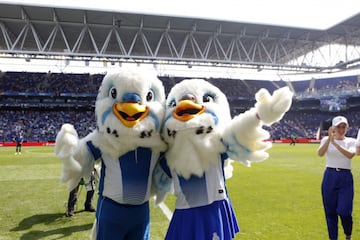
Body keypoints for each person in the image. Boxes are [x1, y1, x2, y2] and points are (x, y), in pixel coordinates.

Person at [317, 116, 356, 240]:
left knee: (345, 211)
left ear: (347, 128)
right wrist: (329, 139)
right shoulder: (325, 140)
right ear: (333, 128)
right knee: (330, 212)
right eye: (338, 126)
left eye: (343, 126)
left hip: (345, 177)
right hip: (330, 176)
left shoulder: (351, 141)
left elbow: (350, 155)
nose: (341, 129)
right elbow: (320, 153)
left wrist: (335, 144)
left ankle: (348, 234)